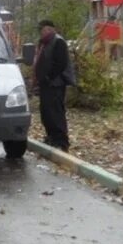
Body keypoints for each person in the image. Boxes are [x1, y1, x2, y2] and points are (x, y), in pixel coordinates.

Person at [33, 19, 72, 152]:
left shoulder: (58, 41)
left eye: (43, 30)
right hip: (45, 84)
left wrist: (49, 77)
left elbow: (61, 63)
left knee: (55, 112)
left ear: (49, 29)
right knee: (46, 112)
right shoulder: (45, 42)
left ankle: (61, 141)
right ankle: (51, 137)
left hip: (55, 84)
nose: (41, 32)